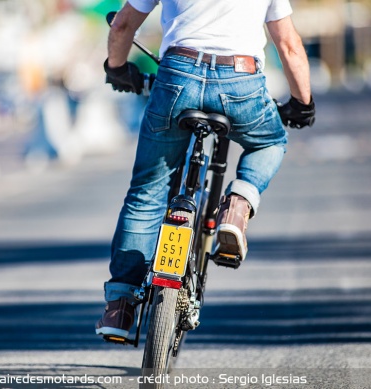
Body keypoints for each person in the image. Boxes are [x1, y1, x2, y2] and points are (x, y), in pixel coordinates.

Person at [96, 0, 315, 340]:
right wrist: (303, 103)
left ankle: (120, 306)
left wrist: (117, 67)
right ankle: (238, 205)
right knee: (270, 142)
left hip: (177, 79)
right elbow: (288, 45)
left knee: (147, 193)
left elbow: (123, 26)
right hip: (241, 83)